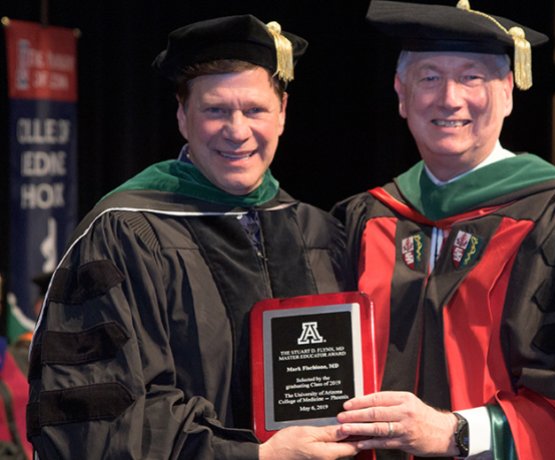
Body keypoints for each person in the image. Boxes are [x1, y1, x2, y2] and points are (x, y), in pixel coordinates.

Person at [26, 14, 360, 460]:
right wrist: (258, 456)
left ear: (282, 113)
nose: (237, 131)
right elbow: (101, 418)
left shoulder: (317, 232)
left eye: (255, 110)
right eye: (215, 110)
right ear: (183, 117)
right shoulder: (126, 234)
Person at [332, 1, 555, 458]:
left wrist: (454, 432)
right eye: (429, 77)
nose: (449, 98)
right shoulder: (364, 220)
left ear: (507, 91)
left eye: (472, 77)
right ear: (401, 94)